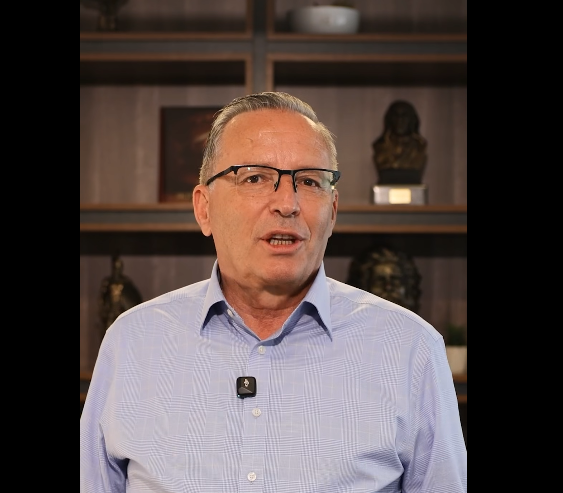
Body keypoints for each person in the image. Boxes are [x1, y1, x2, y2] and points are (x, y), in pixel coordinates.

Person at [80, 91, 467, 492]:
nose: (287, 203)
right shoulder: (132, 342)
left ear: (333, 211)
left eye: (309, 181)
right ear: (204, 208)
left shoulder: (411, 349)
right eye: (254, 177)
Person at [372, 100, 428, 185]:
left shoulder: (419, 147)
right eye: (396, 116)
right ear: (389, 119)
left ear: (412, 120)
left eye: (404, 116)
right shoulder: (380, 146)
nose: (400, 120)